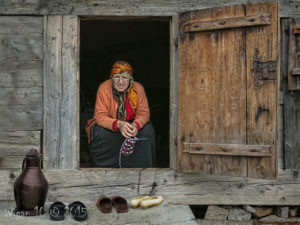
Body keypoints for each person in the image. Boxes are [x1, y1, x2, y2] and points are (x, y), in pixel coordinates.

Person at [86, 61, 156, 168]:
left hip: (131, 125)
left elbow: (144, 113)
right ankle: (105, 169)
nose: (121, 82)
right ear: (112, 78)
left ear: (130, 79)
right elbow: (99, 116)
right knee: (99, 132)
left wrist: (135, 125)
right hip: (111, 125)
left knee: (148, 130)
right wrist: (119, 124)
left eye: (125, 78)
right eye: (117, 77)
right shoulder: (104, 88)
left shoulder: (138, 88)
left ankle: (142, 168)